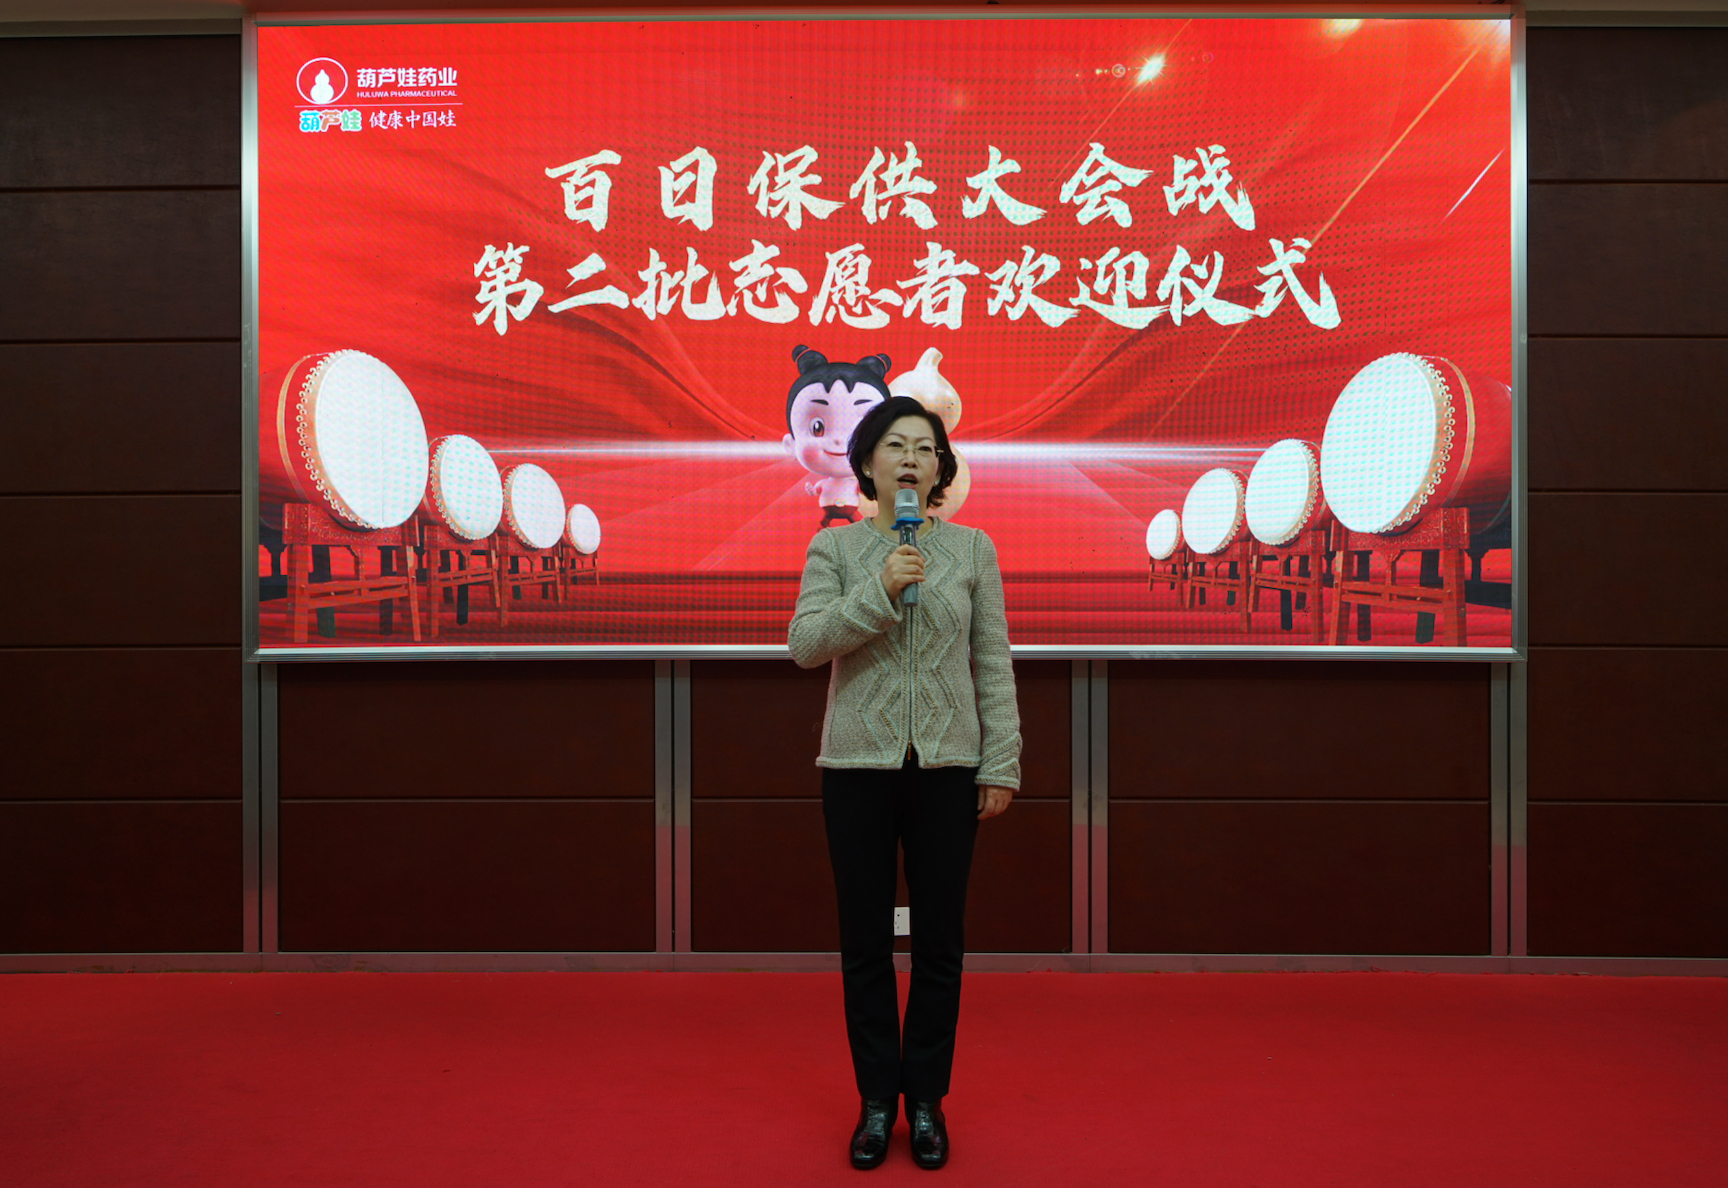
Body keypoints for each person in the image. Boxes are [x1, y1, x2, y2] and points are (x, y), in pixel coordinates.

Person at [788, 392, 1020, 1171]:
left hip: (948, 770)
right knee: (865, 945)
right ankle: (875, 1102)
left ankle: (925, 1100)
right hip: (856, 769)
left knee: (939, 944)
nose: (913, 459)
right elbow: (806, 645)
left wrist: (1002, 760)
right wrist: (880, 588)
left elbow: (992, 663)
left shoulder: (974, 550)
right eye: (896, 445)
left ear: (941, 467)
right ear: (866, 463)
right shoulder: (836, 549)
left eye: (926, 447)